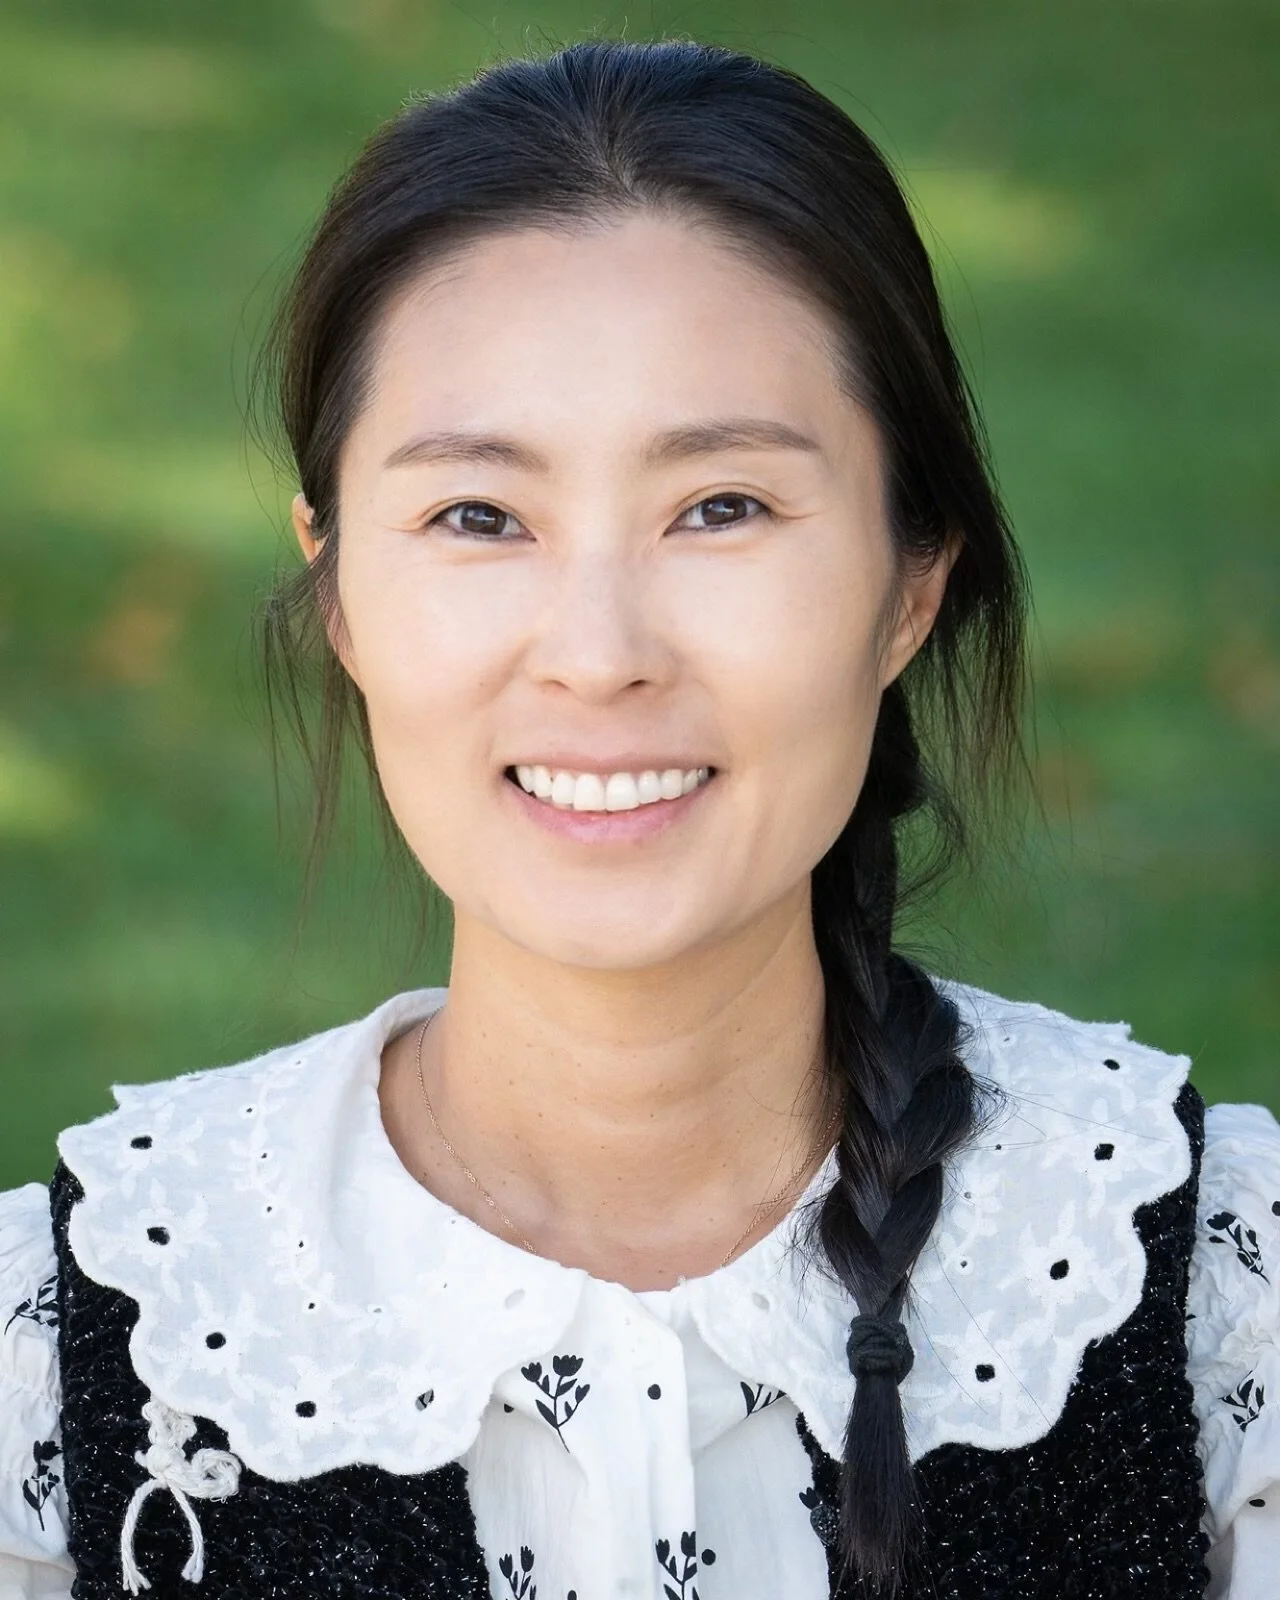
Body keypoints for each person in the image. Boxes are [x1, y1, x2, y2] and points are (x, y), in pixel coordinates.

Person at [0, 37, 1275, 1600]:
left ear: (909, 585)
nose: (601, 653)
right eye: (479, 516)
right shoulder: (65, 1349)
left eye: (720, 508)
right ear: (336, 591)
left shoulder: (1219, 1303)